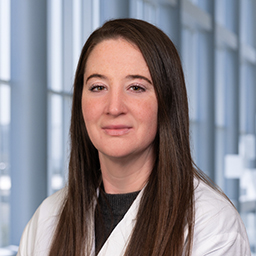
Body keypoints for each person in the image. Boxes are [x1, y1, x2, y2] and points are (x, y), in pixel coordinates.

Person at [17, 18, 251, 256]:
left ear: (166, 101)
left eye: (136, 87)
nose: (114, 107)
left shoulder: (211, 225)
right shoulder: (47, 218)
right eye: (98, 87)